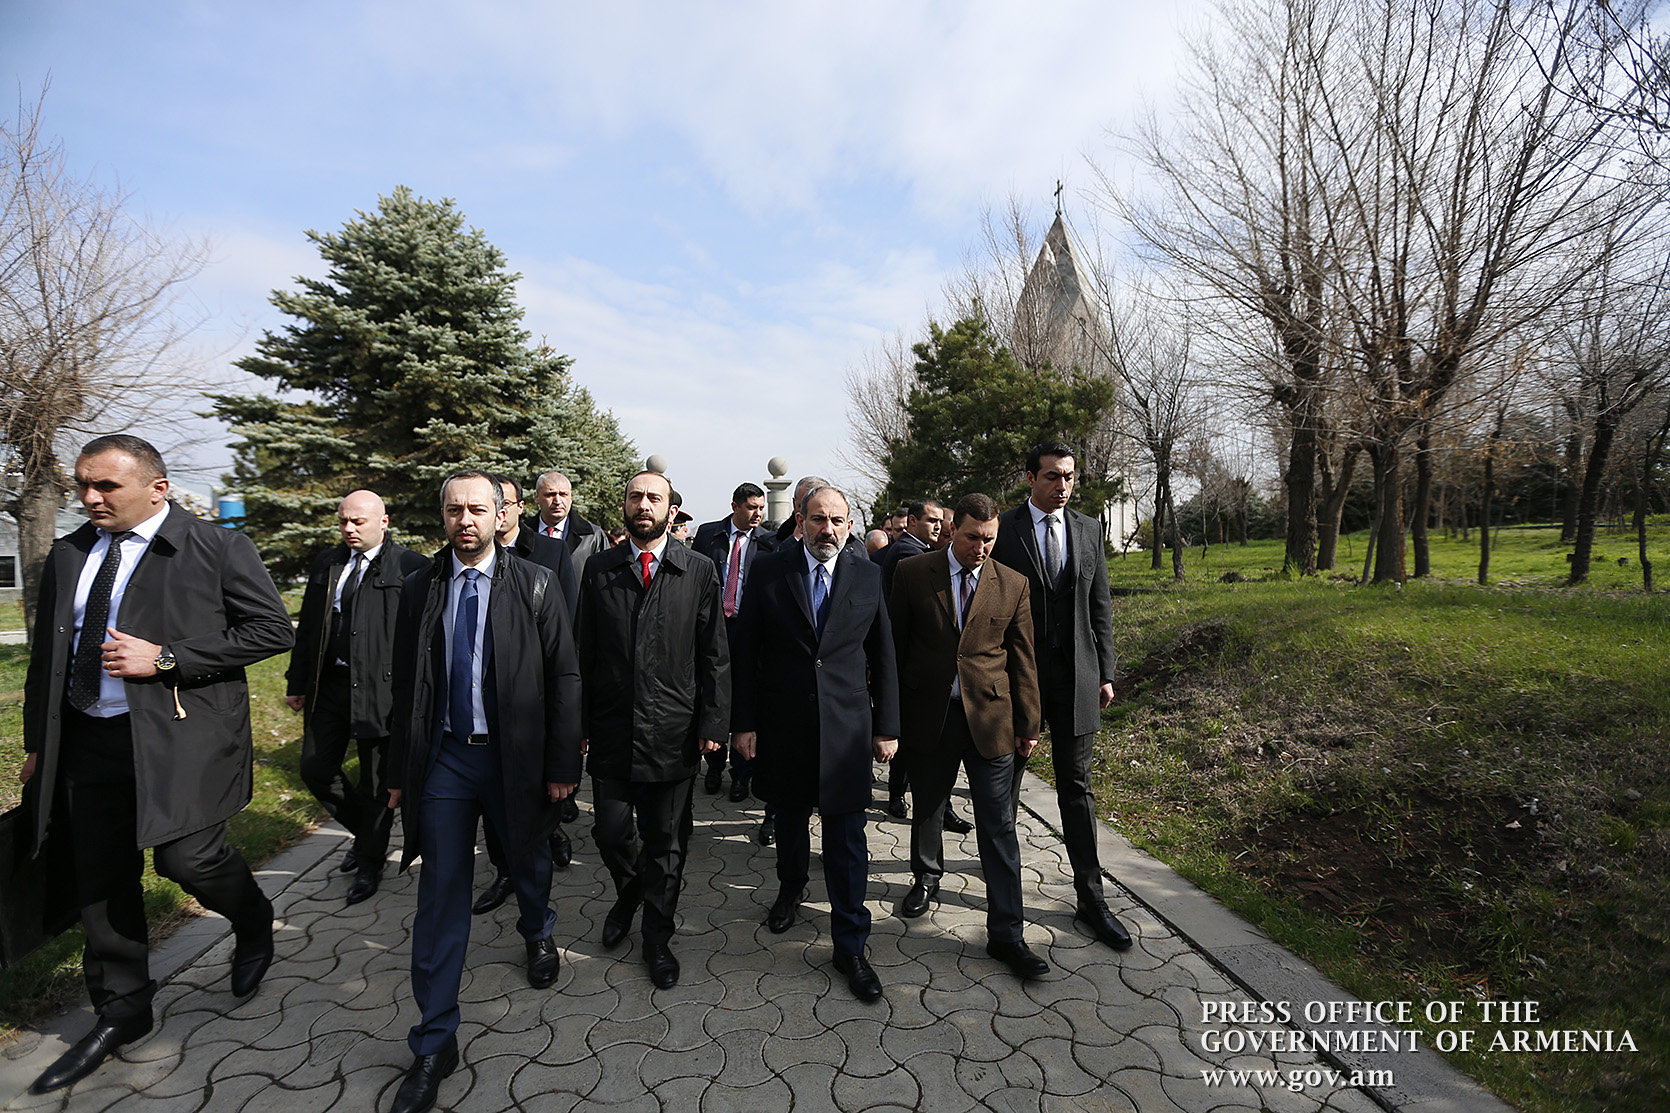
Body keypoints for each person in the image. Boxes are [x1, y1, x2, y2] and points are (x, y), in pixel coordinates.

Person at [20, 434, 294, 1095]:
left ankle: (252, 918)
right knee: (100, 875)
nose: (89, 497)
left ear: (157, 488)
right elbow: (47, 657)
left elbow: (271, 630)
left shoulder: (214, 546)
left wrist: (167, 658)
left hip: (180, 736)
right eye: (83, 484)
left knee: (186, 859)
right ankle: (123, 1010)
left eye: (106, 486)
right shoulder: (69, 553)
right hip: (87, 739)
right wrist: (37, 744)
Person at [384, 469, 581, 1113]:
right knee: (441, 892)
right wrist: (398, 771)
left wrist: (562, 764)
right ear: (442, 517)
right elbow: (406, 685)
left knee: (528, 856)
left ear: (501, 516)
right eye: (454, 510)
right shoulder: (421, 586)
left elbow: (564, 676)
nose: (464, 520)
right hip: (446, 759)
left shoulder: (536, 583)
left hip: (515, 757)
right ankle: (434, 1040)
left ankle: (537, 928)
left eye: (477, 509)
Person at [731, 485, 898, 1002]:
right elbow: (746, 651)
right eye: (819, 519)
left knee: (847, 838)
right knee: (789, 818)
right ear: (801, 521)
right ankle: (790, 889)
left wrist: (887, 726)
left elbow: (884, 653)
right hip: (784, 723)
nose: (828, 529)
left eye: (838, 520)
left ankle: (850, 943)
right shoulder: (769, 570)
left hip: (846, 730)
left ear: (849, 525)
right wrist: (743, 723)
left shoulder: (867, 575)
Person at [578, 470, 729, 988]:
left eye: (654, 498)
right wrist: (578, 723)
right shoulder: (600, 569)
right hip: (613, 727)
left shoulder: (697, 569)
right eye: (636, 497)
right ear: (624, 505)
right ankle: (629, 894)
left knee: (666, 843)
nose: (644, 505)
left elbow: (714, 654)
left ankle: (656, 939)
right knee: (610, 831)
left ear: (671, 509)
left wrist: (713, 721)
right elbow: (583, 650)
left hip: (672, 730)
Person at [889, 493, 1049, 980]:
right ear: (950, 530)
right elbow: (894, 648)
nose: (981, 547)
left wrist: (1030, 724)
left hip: (992, 720)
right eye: (972, 537)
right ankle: (926, 877)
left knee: (998, 827)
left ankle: (1007, 934)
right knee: (929, 806)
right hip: (929, 715)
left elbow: (1023, 659)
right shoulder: (913, 574)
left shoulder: (1013, 584)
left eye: (989, 539)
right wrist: (889, 721)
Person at [991, 442, 1132, 950]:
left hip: (1077, 678)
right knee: (1004, 786)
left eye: (1069, 477)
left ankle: (1091, 899)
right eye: (1052, 476)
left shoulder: (1088, 529)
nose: (1062, 485)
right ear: (1031, 478)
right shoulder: (1005, 529)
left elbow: (1100, 605)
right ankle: (1002, 894)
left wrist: (1106, 671)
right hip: (1017, 679)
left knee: (1076, 786)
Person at [287, 490, 428, 905]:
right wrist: (297, 680)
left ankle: (370, 861)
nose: (349, 529)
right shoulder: (328, 563)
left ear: (384, 522)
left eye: (358, 521)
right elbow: (308, 627)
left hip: (382, 691)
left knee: (377, 784)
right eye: (343, 521)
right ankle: (368, 834)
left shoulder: (411, 566)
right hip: (330, 686)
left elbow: (421, 638)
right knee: (315, 769)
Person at [467, 475, 581, 918]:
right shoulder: (464, 563)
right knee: (495, 806)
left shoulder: (549, 553)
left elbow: (566, 623)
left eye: (506, 504)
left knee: (534, 801)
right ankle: (505, 872)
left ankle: (548, 839)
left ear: (516, 508)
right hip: (483, 710)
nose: (498, 514)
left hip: (533, 698)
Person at [872, 499, 969, 831]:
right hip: (916, 663)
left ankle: (902, 795)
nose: (938, 527)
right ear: (912, 522)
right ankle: (917, 802)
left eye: (942, 522)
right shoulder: (909, 554)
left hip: (917, 664)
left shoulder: (918, 550)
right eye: (932, 521)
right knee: (916, 742)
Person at [691, 482, 775, 800]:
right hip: (713, 626)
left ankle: (741, 772)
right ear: (735, 506)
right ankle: (713, 763)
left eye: (761, 508)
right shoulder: (708, 534)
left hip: (749, 629)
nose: (758, 514)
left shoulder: (768, 542)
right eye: (752, 507)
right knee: (713, 691)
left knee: (744, 695)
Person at [531, 469, 606, 567]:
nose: (557, 501)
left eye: (563, 494)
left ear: (571, 497)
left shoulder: (593, 536)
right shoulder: (522, 533)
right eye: (550, 494)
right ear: (536, 497)